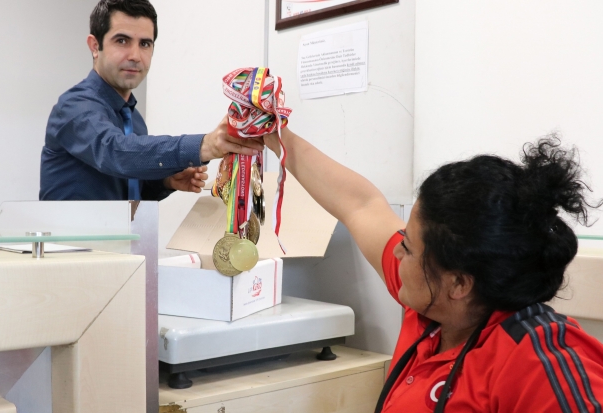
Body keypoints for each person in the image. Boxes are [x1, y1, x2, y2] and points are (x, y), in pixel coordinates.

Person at [265, 129, 603, 412]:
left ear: (458, 283)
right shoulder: (433, 304)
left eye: (408, 246)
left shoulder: (540, 363)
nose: (396, 251)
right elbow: (359, 204)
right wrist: (275, 135)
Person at [39, 0, 263, 201]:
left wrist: (164, 182)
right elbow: (115, 153)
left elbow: (126, 190)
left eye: (145, 44)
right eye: (122, 40)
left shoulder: (133, 119)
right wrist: (204, 145)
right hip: (69, 237)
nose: (135, 56)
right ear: (95, 46)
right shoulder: (74, 107)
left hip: (121, 235)